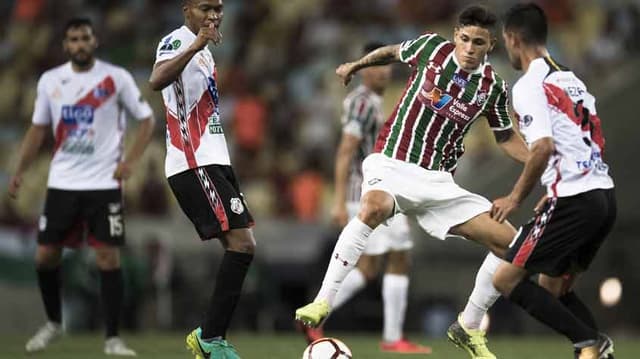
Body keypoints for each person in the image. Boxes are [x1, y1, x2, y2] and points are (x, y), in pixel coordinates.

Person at [296, 6, 529, 358]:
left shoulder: (492, 87)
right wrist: (356, 66)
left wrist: (540, 158)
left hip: (439, 184)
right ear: (455, 36)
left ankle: (468, 324)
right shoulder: (431, 49)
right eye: (464, 39)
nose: (468, 48)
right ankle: (322, 303)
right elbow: (391, 51)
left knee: (514, 246)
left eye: (477, 42)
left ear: (490, 45)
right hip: (393, 161)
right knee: (373, 206)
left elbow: (506, 136)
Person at [8, 17, 155, 356]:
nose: (79, 44)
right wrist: (20, 170)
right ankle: (53, 323)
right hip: (63, 182)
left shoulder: (115, 78)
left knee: (107, 257)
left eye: (84, 38)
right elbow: (37, 130)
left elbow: (146, 120)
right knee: (45, 256)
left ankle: (113, 338)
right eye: (73, 39)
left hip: (104, 183)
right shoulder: (50, 81)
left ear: (95, 41)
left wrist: (129, 161)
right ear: (65, 45)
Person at [490, 3, 616, 359]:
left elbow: (542, 147)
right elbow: (585, 140)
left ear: (513, 39)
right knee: (552, 287)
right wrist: (554, 187)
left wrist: (515, 198)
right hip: (602, 196)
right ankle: (592, 350)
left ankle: (592, 343)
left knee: (505, 280)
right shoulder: (570, 78)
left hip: (575, 200)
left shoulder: (530, 84)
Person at [300, 42, 431, 354]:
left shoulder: (371, 101)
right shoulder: (361, 102)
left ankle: (318, 314)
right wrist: (338, 200)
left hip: (374, 189)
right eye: (376, 66)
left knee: (370, 268)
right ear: (364, 68)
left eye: (386, 66)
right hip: (369, 192)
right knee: (399, 257)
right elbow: (346, 150)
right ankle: (389, 336)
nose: (383, 71)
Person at [149, 1, 255, 358]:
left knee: (241, 247)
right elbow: (156, 80)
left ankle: (211, 337)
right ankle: (210, 338)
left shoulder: (207, 55)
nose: (214, 15)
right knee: (242, 244)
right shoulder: (176, 42)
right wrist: (195, 44)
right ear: (187, 9)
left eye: (219, 9)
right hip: (193, 162)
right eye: (206, 7)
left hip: (214, 161)